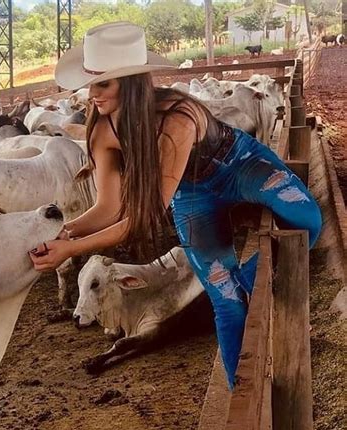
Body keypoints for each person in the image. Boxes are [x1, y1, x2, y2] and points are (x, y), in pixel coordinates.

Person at [29, 21, 322, 389]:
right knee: (227, 304)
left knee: (308, 217)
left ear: (132, 83)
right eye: (91, 83)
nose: (92, 95)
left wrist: (70, 249)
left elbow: (141, 218)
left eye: (103, 83)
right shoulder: (103, 130)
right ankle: (241, 391)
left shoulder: (176, 118)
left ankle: (249, 280)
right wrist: (63, 233)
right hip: (190, 193)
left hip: (237, 164)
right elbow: (108, 208)